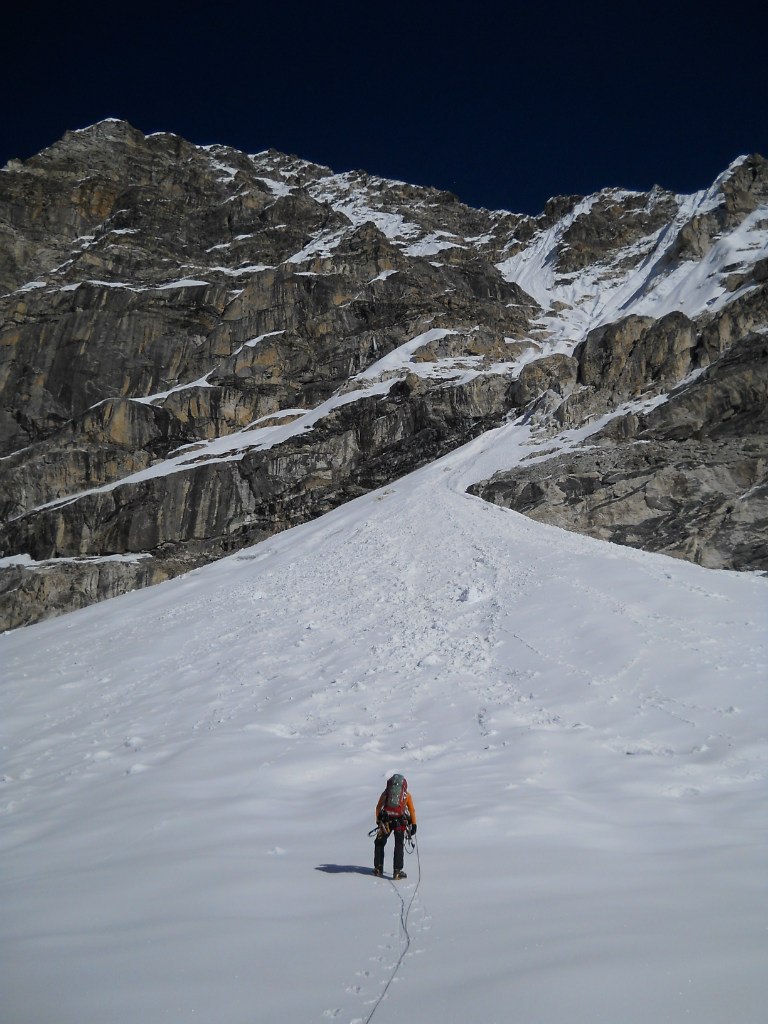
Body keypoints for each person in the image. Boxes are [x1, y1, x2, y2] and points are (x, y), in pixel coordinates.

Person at [373, 773, 417, 879]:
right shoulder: (407, 795)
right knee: (399, 844)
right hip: (400, 822)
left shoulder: (386, 793)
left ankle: (378, 869)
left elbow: (378, 807)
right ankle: (397, 871)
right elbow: (411, 810)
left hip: (386, 821)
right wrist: (414, 824)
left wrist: (378, 820)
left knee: (379, 842)